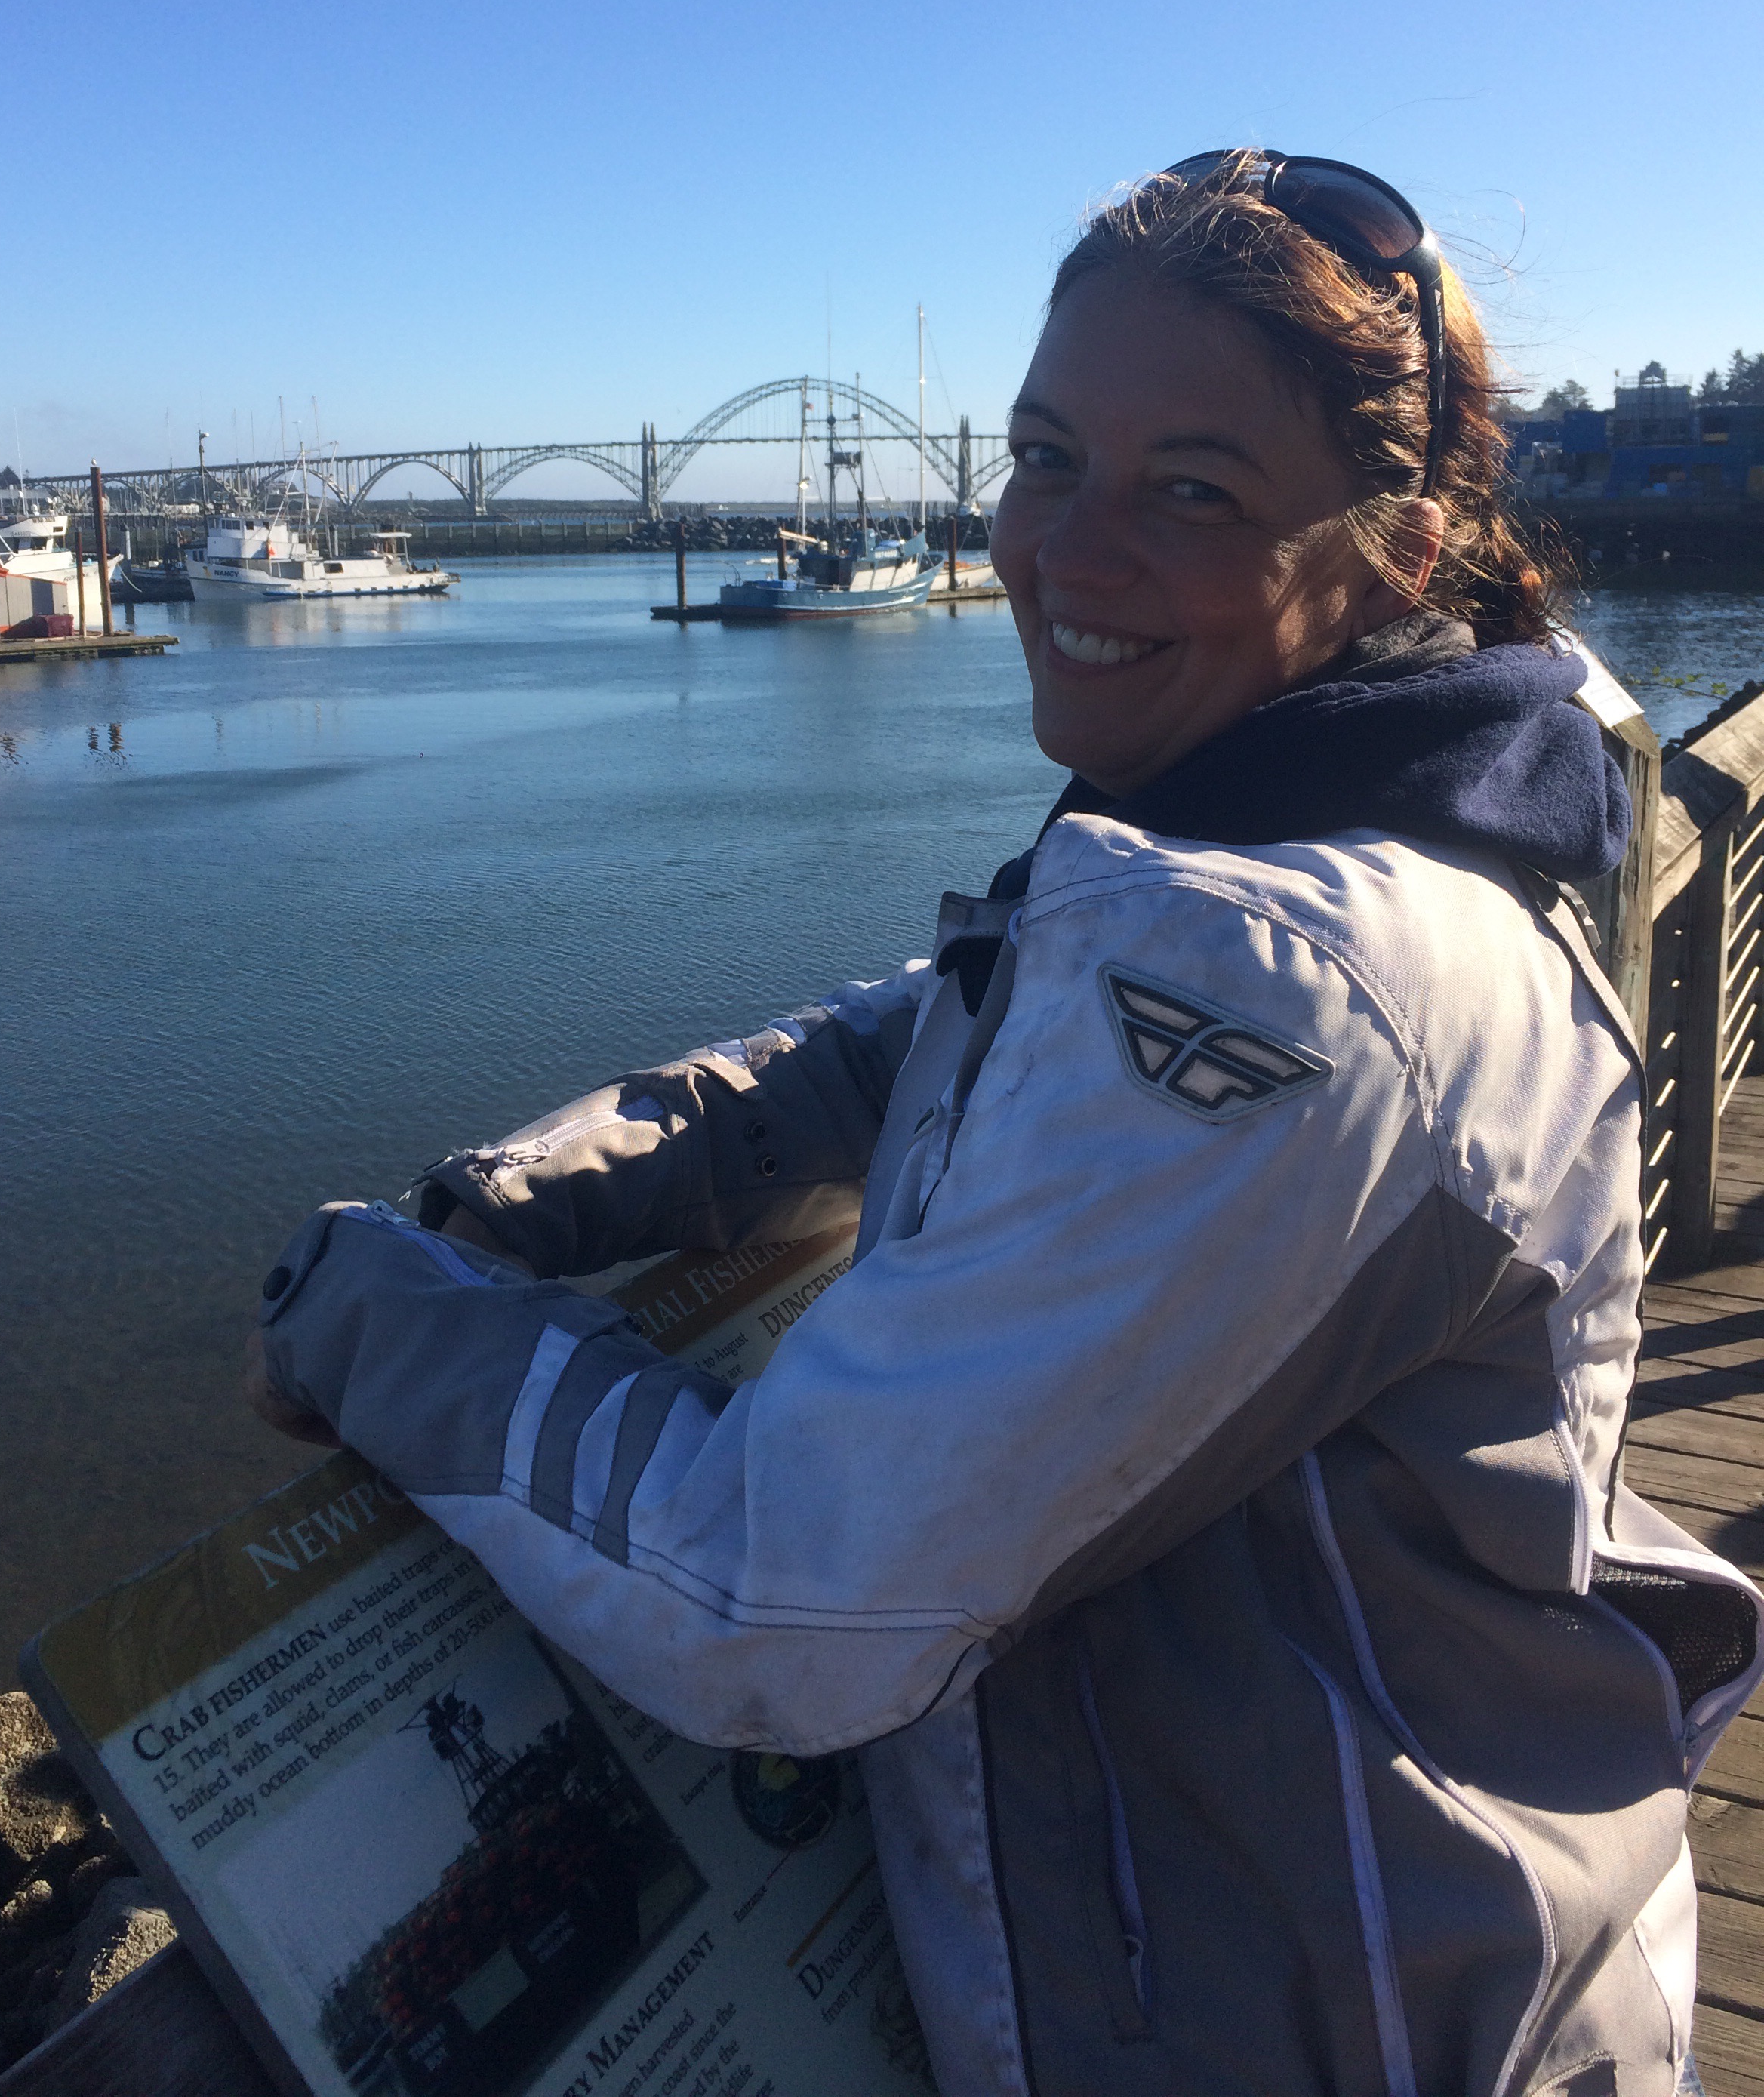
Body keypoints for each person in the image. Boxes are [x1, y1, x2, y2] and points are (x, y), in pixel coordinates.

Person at [248, 151, 1761, 2097]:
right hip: (1467, 1950)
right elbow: (938, 1029)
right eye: (1045, 458)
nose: (1065, 550)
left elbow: (773, 1595)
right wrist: (546, 1191)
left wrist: (363, 1305)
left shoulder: (1285, 974)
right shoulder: (1422, 808)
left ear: (1397, 547)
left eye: (1192, 491)